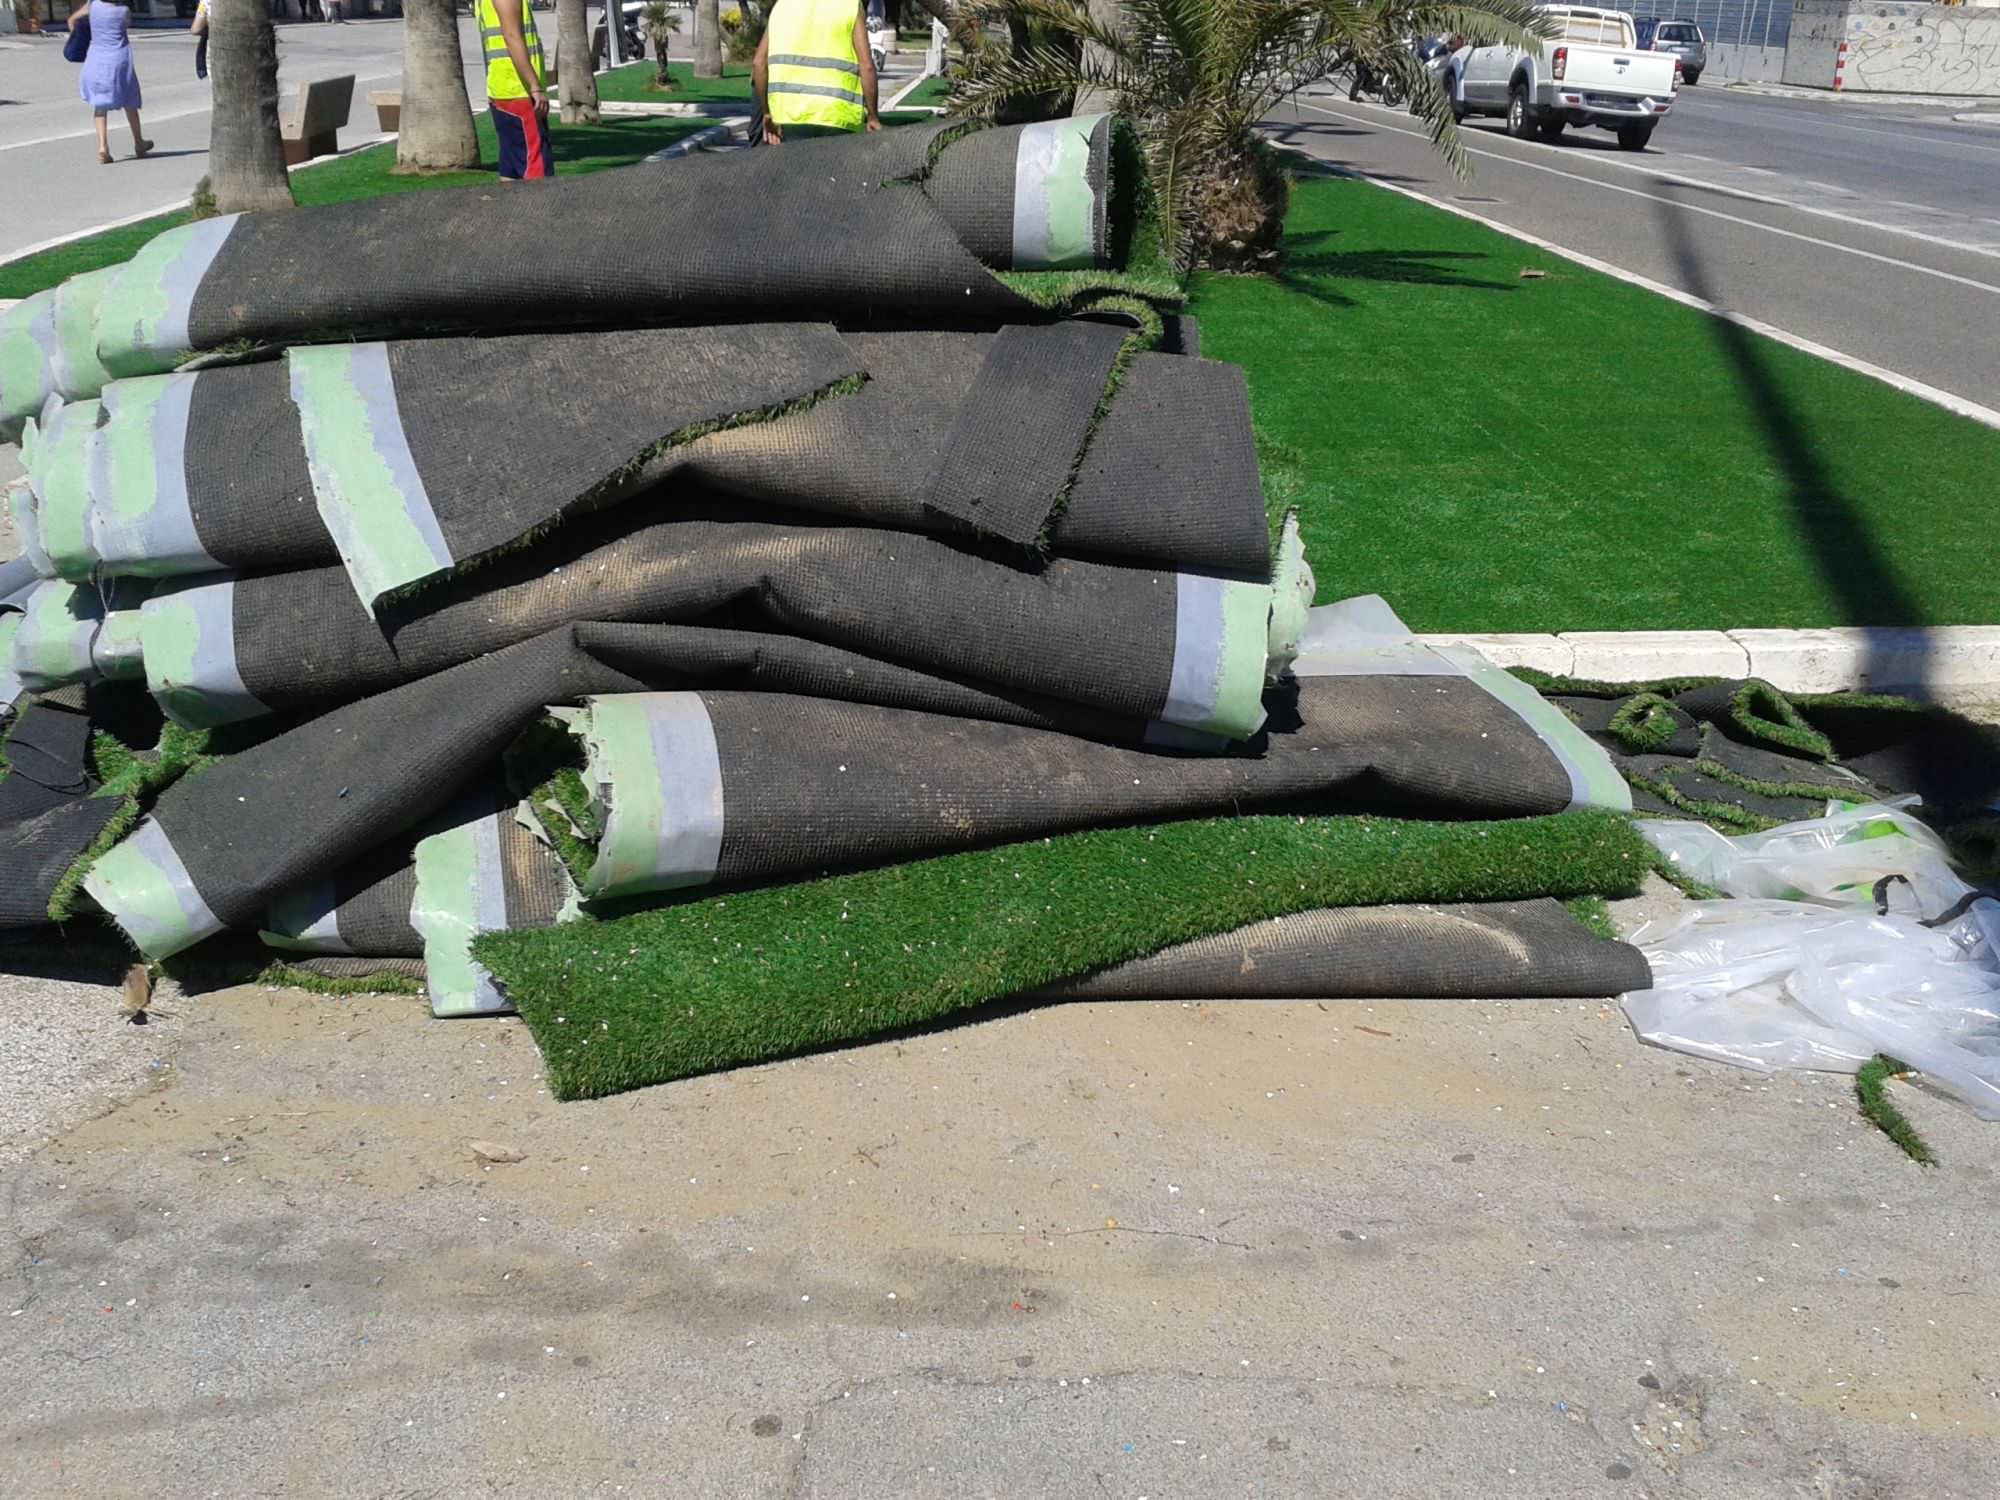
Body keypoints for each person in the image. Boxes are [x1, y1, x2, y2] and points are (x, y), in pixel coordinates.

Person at [753, 0, 880, 146]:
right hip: (839, 115)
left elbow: (759, 63)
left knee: (799, 168)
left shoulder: (782, 6)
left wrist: (767, 113)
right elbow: (867, 66)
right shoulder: (849, 5)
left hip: (793, 116)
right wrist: (873, 117)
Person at [475, 0, 553, 180]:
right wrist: (534, 85)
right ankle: (540, 208)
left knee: (511, 168)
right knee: (535, 167)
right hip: (517, 90)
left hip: (506, 89)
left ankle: (508, 208)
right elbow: (512, 36)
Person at [73, 0, 153, 165]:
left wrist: (79, 36)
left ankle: (103, 147)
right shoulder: (123, 11)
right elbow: (126, 25)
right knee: (129, 100)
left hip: (96, 57)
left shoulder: (93, 5)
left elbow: (73, 19)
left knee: (100, 105)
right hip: (119, 58)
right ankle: (138, 142)